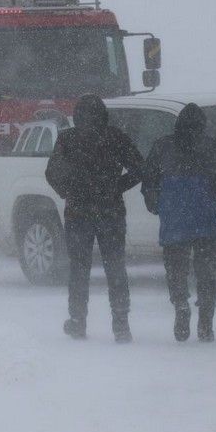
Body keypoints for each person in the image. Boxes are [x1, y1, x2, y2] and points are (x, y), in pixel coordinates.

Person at [45, 94, 146, 343]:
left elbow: (51, 172)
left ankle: (78, 321)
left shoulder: (68, 139)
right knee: (115, 267)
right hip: (110, 211)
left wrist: (68, 191)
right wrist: (116, 186)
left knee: (79, 269)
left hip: (78, 212)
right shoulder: (115, 137)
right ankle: (121, 324)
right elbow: (139, 168)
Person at [142, 103, 216, 342]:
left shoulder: (163, 146)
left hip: (175, 218)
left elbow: (149, 180)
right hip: (207, 218)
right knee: (206, 272)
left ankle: (180, 304)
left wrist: (155, 204)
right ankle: (206, 321)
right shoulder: (215, 147)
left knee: (176, 268)